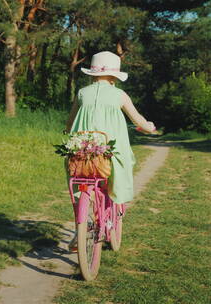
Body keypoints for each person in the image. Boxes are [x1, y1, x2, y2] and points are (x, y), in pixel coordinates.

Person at [65, 51, 157, 251]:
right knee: (118, 171)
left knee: (76, 175)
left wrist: (67, 130)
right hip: (109, 150)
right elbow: (137, 119)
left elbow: (70, 121)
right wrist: (149, 126)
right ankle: (110, 214)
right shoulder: (119, 95)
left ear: (93, 73)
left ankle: (78, 228)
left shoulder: (82, 93)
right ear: (115, 76)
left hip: (83, 151)